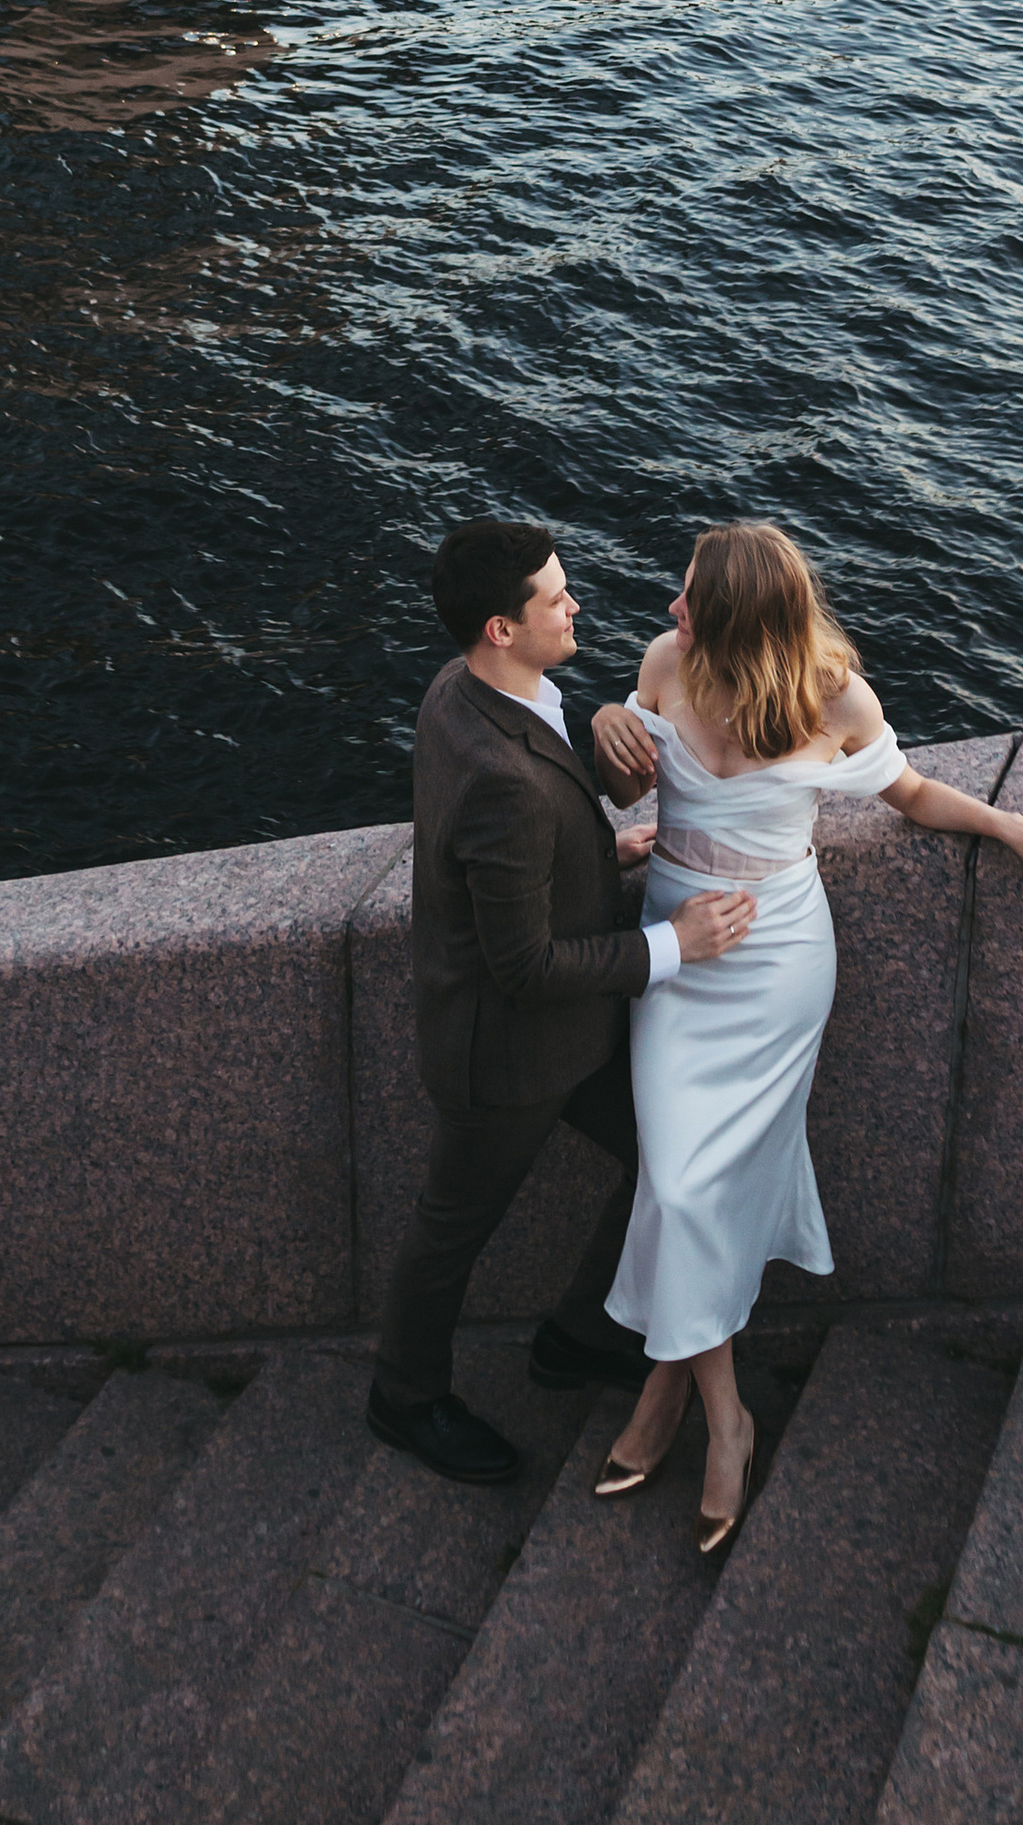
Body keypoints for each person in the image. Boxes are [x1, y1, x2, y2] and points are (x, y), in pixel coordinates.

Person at [589, 521, 1023, 1555]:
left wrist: (1012, 826)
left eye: (688, 596)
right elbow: (619, 791)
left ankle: (671, 1398)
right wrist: (610, 721)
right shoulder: (662, 667)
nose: (668, 610)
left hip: (779, 961)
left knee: (698, 1185)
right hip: (679, 948)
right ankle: (719, 1411)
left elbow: (909, 795)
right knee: (679, 1178)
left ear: (739, 619)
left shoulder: (835, 695)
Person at [368, 517, 759, 1485]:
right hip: (507, 1055)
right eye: (555, 596)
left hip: (561, 1041)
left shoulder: (468, 689)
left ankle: (579, 1336)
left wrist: (597, 839)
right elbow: (527, 968)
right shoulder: (501, 776)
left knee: (667, 1157)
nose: (576, 603)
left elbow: (525, 838)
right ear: (502, 627)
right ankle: (404, 1399)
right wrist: (677, 942)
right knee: (449, 1230)